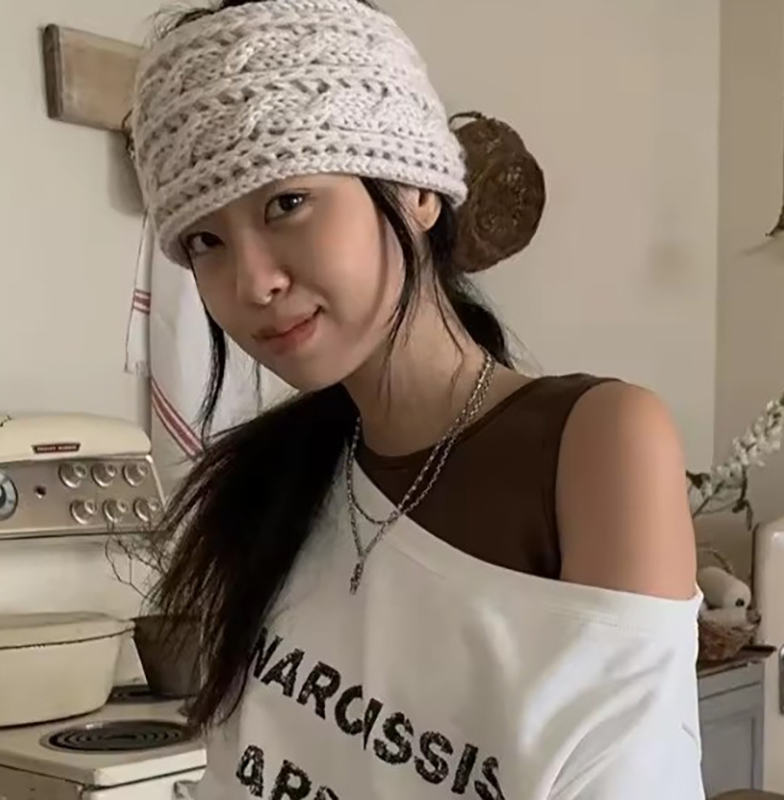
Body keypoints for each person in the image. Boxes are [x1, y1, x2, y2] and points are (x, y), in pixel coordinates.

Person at [128, 0, 703, 797]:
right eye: (206, 240)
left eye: (286, 203)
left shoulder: (592, 444)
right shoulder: (261, 492)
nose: (252, 281)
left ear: (413, 191)